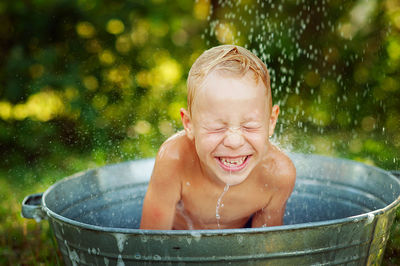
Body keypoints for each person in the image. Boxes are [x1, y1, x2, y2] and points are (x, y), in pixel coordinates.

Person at [140, 45, 296, 230]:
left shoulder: (278, 175)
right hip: (179, 250)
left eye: (249, 126)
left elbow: (265, 249)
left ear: (271, 122)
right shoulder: (174, 161)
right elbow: (149, 244)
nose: (234, 141)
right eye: (216, 127)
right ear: (189, 124)